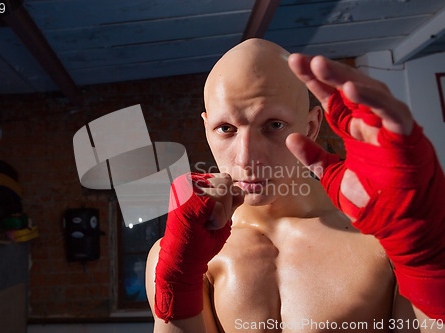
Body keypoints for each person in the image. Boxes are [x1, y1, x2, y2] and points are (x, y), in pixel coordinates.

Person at [145, 38, 445, 332]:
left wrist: (429, 262)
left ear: (312, 126)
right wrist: (178, 282)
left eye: (273, 125)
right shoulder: (182, 256)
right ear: (207, 130)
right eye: (226, 129)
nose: (247, 158)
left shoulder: (382, 242)